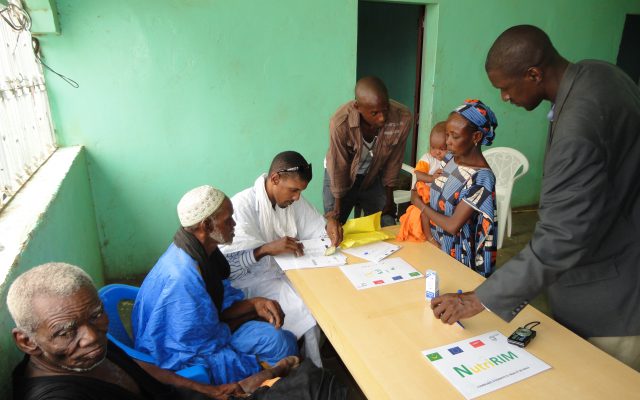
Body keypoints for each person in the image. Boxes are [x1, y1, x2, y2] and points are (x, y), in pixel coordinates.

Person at [431, 25, 640, 371]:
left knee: (599, 380)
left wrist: (480, 299)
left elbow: (559, 238)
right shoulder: (600, 73)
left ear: (533, 74)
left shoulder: (577, 128)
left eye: (506, 88)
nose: (505, 98)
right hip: (620, 246)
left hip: (612, 298)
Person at [7, 262, 302, 400]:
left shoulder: (88, 350)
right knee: (313, 387)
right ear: (26, 342)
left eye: (96, 315)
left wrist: (209, 390)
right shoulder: (58, 396)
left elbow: (146, 369)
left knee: (307, 380)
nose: (91, 336)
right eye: (65, 331)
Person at [132, 185, 298, 385]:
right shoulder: (184, 279)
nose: (234, 224)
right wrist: (251, 311)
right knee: (281, 345)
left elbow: (216, 308)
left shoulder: (199, 250)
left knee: (281, 340)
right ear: (207, 226)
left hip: (207, 333)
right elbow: (200, 342)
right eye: (228, 220)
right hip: (181, 355)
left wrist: (254, 304)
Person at [220, 151, 343, 367]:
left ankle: (311, 353)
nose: (297, 197)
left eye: (300, 191)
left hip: (284, 272)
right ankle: (311, 366)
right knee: (306, 307)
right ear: (275, 179)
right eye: (293, 190)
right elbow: (228, 266)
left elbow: (316, 230)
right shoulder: (242, 206)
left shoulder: (292, 201)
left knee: (324, 293)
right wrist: (266, 249)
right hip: (248, 283)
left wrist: (329, 223)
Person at [411, 100, 498, 277]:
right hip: (434, 245)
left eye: (454, 136)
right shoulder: (450, 159)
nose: (447, 142)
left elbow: (452, 225)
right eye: (447, 135)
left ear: (476, 137)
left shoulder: (481, 177)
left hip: (458, 258)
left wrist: (419, 205)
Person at [324, 76, 412, 226]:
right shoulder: (340, 123)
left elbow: (394, 161)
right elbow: (339, 165)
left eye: (385, 109)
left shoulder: (402, 118)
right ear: (357, 107)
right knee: (335, 227)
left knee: (386, 222)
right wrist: (337, 205)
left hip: (372, 175)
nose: (382, 118)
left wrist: (389, 199)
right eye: (374, 113)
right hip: (340, 177)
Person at [396, 121, 447, 242]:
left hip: (439, 193)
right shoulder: (427, 158)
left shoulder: (449, 161)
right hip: (425, 191)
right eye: (433, 147)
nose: (437, 152)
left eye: (442, 149)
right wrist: (432, 178)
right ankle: (429, 237)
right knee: (426, 211)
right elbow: (418, 174)